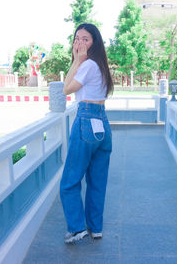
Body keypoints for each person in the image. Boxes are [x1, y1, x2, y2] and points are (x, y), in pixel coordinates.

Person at [60, 23, 114, 243]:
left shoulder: (87, 64)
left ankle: (76, 228)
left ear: (95, 42)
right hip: (102, 121)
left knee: (70, 180)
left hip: (86, 119)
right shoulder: (101, 64)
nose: (80, 43)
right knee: (97, 180)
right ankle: (95, 227)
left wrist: (77, 60)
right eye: (77, 38)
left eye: (85, 39)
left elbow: (66, 89)